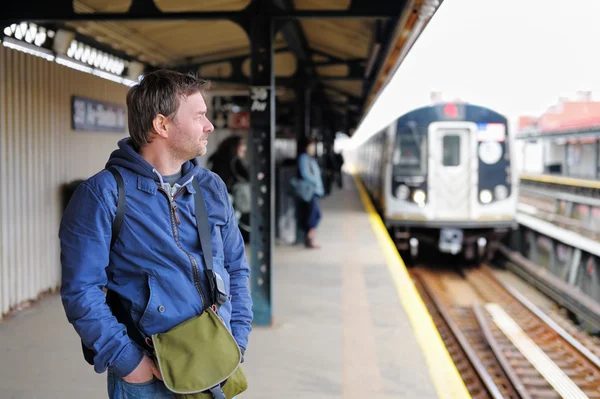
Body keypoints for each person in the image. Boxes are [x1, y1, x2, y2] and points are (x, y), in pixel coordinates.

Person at [59, 69, 253, 398]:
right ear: (162, 125)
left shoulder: (211, 187)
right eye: (200, 116)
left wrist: (237, 339)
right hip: (150, 375)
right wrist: (128, 362)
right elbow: (81, 290)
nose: (210, 126)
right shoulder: (102, 194)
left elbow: (235, 266)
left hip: (216, 359)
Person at [297, 138, 324, 248]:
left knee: (314, 215)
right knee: (314, 215)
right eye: (311, 146)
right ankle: (310, 239)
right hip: (311, 190)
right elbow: (305, 173)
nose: (313, 148)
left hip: (315, 190)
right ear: (306, 147)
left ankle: (310, 239)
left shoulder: (310, 159)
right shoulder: (303, 158)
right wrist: (316, 182)